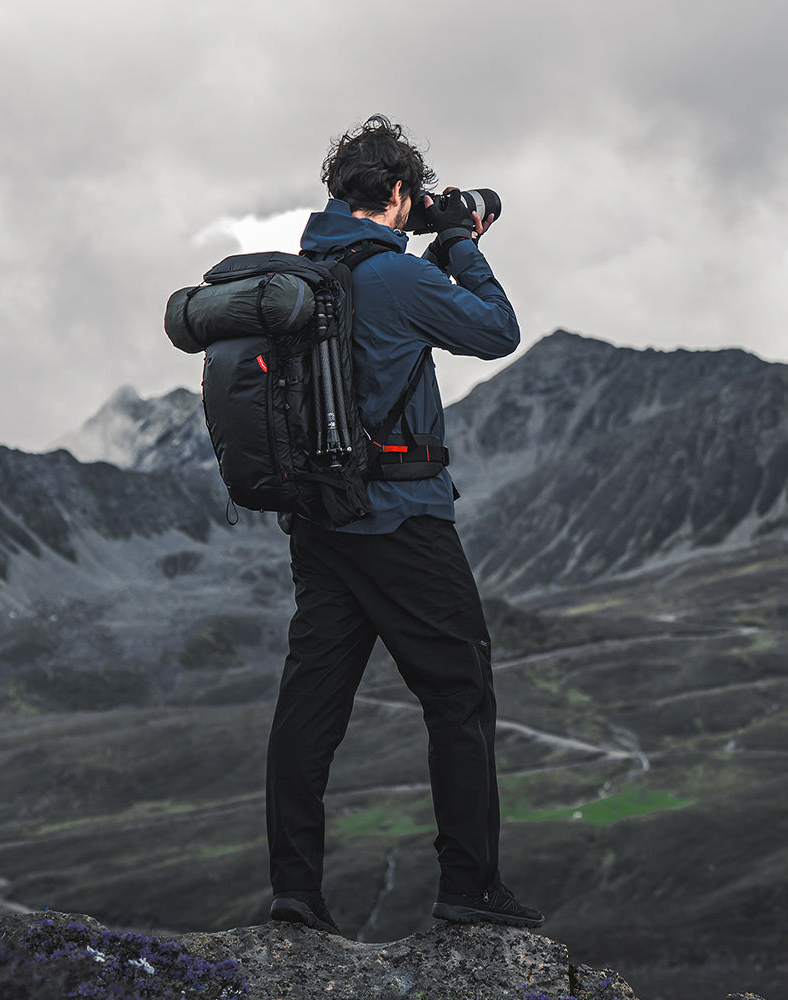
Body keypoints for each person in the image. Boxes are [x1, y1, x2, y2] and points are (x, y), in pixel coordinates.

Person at [266, 115, 543, 935]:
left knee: (310, 704)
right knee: (458, 695)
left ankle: (295, 895)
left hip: (319, 521)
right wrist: (460, 241)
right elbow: (496, 331)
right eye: (413, 197)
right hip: (400, 519)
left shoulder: (300, 273)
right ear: (397, 193)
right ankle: (470, 888)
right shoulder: (398, 278)